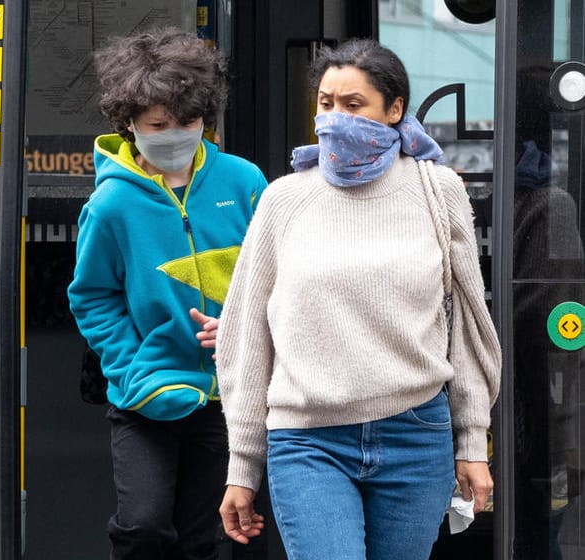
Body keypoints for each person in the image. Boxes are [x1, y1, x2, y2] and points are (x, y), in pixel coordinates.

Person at [215, 38, 501, 559]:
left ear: (394, 111)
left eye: (353, 105)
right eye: (326, 104)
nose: (334, 118)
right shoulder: (284, 198)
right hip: (308, 441)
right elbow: (245, 336)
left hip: (416, 433)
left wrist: (472, 441)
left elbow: (465, 326)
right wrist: (242, 463)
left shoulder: (438, 191)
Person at [67, 27, 268, 559]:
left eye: (189, 123)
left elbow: (279, 280)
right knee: (143, 527)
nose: (175, 134)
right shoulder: (110, 204)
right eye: (159, 124)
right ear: (128, 123)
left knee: (201, 540)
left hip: (230, 396)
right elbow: (93, 296)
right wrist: (134, 367)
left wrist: (248, 337)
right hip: (146, 397)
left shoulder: (245, 182)